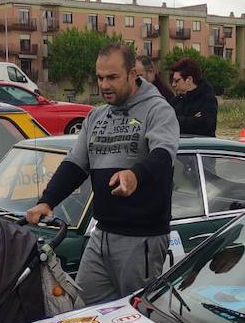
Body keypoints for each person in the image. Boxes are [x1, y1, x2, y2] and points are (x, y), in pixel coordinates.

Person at [27, 44, 179, 305]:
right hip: (101, 235)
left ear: (132, 74)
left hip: (140, 238)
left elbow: (163, 156)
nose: (104, 85)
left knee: (137, 317)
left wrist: (135, 175)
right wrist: (47, 200)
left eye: (112, 77)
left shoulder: (158, 110)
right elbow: (75, 163)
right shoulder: (96, 116)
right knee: (83, 314)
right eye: (100, 77)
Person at [168, 58, 218, 136]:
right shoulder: (176, 101)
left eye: (177, 81)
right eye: (172, 81)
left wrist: (176, 120)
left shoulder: (208, 99)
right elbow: (165, 121)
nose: (173, 84)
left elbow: (206, 126)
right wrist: (192, 120)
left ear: (189, 80)